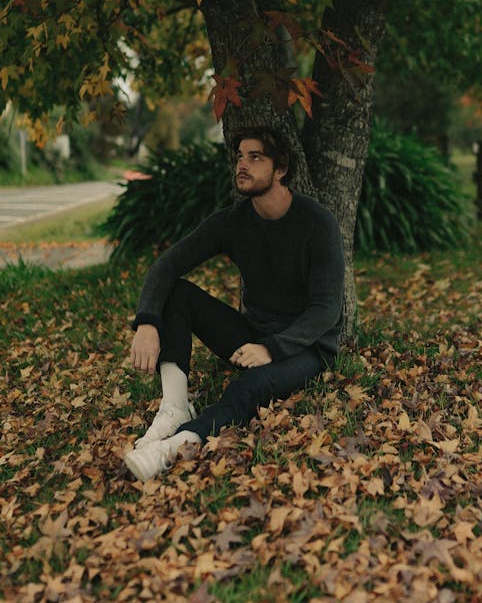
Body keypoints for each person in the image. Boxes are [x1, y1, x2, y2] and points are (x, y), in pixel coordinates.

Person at [124, 126, 345, 482]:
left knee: (247, 387)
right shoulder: (232, 222)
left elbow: (326, 309)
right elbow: (166, 267)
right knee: (178, 292)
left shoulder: (318, 223)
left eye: (255, 157)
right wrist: (147, 322)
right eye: (240, 156)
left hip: (308, 348)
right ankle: (175, 406)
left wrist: (271, 349)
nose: (242, 165)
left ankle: (176, 445)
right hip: (253, 332)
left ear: (281, 169)